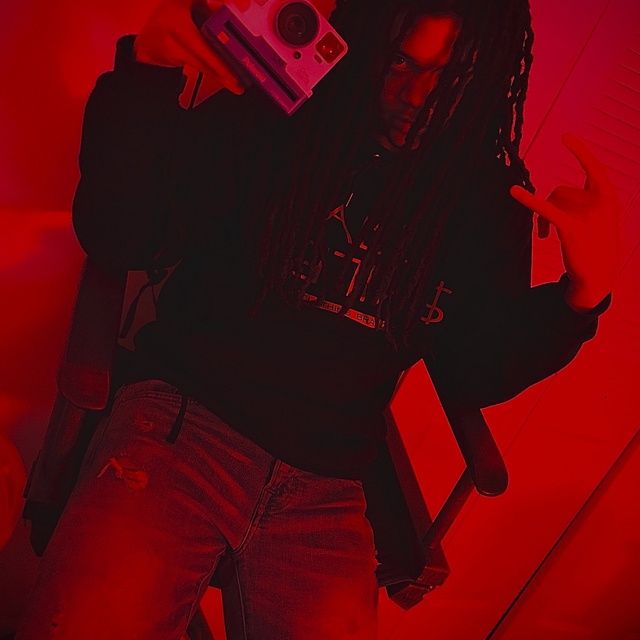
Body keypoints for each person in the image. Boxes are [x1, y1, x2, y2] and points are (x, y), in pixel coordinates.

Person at [17, 0, 618, 638]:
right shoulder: (278, 116)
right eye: (400, 61)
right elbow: (122, 234)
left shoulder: (484, 200)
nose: (417, 96)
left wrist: (582, 293)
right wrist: (149, 70)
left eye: (453, 74)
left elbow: (477, 369)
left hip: (328, 487)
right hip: (185, 429)